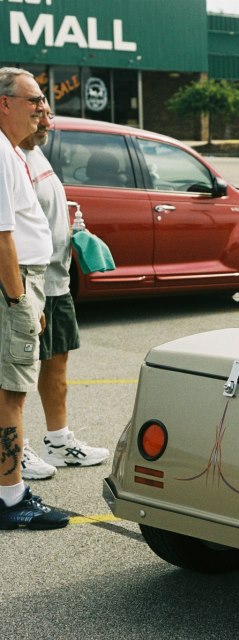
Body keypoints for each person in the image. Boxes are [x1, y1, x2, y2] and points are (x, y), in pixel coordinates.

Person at [18, 108, 109, 481]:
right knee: (17, 372)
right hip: (29, 283)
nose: (47, 123)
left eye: (48, 114)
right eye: (38, 113)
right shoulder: (9, 157)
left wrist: (69, 225)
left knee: (56, 365)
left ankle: (57, 442)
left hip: (57, 281)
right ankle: (14, 447)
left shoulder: (34, 152)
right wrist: (20, 294)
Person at [0, 67, 67, 530]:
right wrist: (21, 301)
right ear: (4, 103)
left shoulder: (12, 151)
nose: (42, 107)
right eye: (33, 100)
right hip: (16, 280)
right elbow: (3, 237)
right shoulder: (1, 154)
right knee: (12, 392)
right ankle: (10, 498)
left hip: (23, 278)